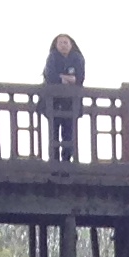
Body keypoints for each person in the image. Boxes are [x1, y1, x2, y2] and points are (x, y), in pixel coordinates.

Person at [42, 32, 86, 166]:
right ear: (56, 45)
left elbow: (79, 79)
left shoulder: (77, 58)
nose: (63, 45)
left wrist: (61, 77)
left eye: (66, 42)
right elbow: (50, 77)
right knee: (53, 132)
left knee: (69, 132)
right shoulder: (52, 57)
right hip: (53, 102)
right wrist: (66, 79)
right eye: (60, 42)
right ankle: (54, 161)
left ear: (71, 44)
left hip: (71, 103)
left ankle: (67, 161)